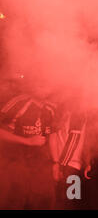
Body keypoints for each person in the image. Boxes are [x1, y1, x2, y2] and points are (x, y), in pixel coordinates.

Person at [0, 75, 57, 209]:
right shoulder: (18, 102)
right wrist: (28, 141)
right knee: (14, 202)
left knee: (43, 202)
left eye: (47, 85)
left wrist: (55, 163)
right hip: (15, 164)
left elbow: (52, 136)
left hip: (40, 166)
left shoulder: (51, 109)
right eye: (41, 84)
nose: (44, 88)